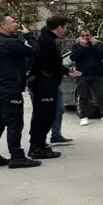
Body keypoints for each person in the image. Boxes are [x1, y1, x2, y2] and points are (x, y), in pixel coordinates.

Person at [0, 14, 40, 169]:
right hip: (9, 89)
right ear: (2, 25)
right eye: (12, 22)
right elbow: (35, 51)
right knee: (15, 123)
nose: (16, 24)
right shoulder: (9, 43)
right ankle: (17, 156)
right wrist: (28, 36)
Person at [26, 15, 69, 160]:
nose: (65, 30)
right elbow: (44, 63)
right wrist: (49, 77)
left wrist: (66, 71)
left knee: (46, 115)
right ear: (59, 27)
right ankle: (37, 148)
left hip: (45, 82)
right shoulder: (46, 41)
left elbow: (53, 63)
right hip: (43, 84)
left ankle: (39, 144)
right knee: (43, 116)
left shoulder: (48, 39)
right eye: (64, 27)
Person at [70, 28, 103, 125]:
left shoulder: (98, 44)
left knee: (101, 96)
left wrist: (94, 46)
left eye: (87, 35)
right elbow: (73, 57)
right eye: (83, 36)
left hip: (97, 74)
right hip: (82, 75)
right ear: (80, 36)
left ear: (91, 35)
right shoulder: (76, 46)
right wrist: (82, 46)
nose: (85, 37)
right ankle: (83, 117)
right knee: (83, 96)